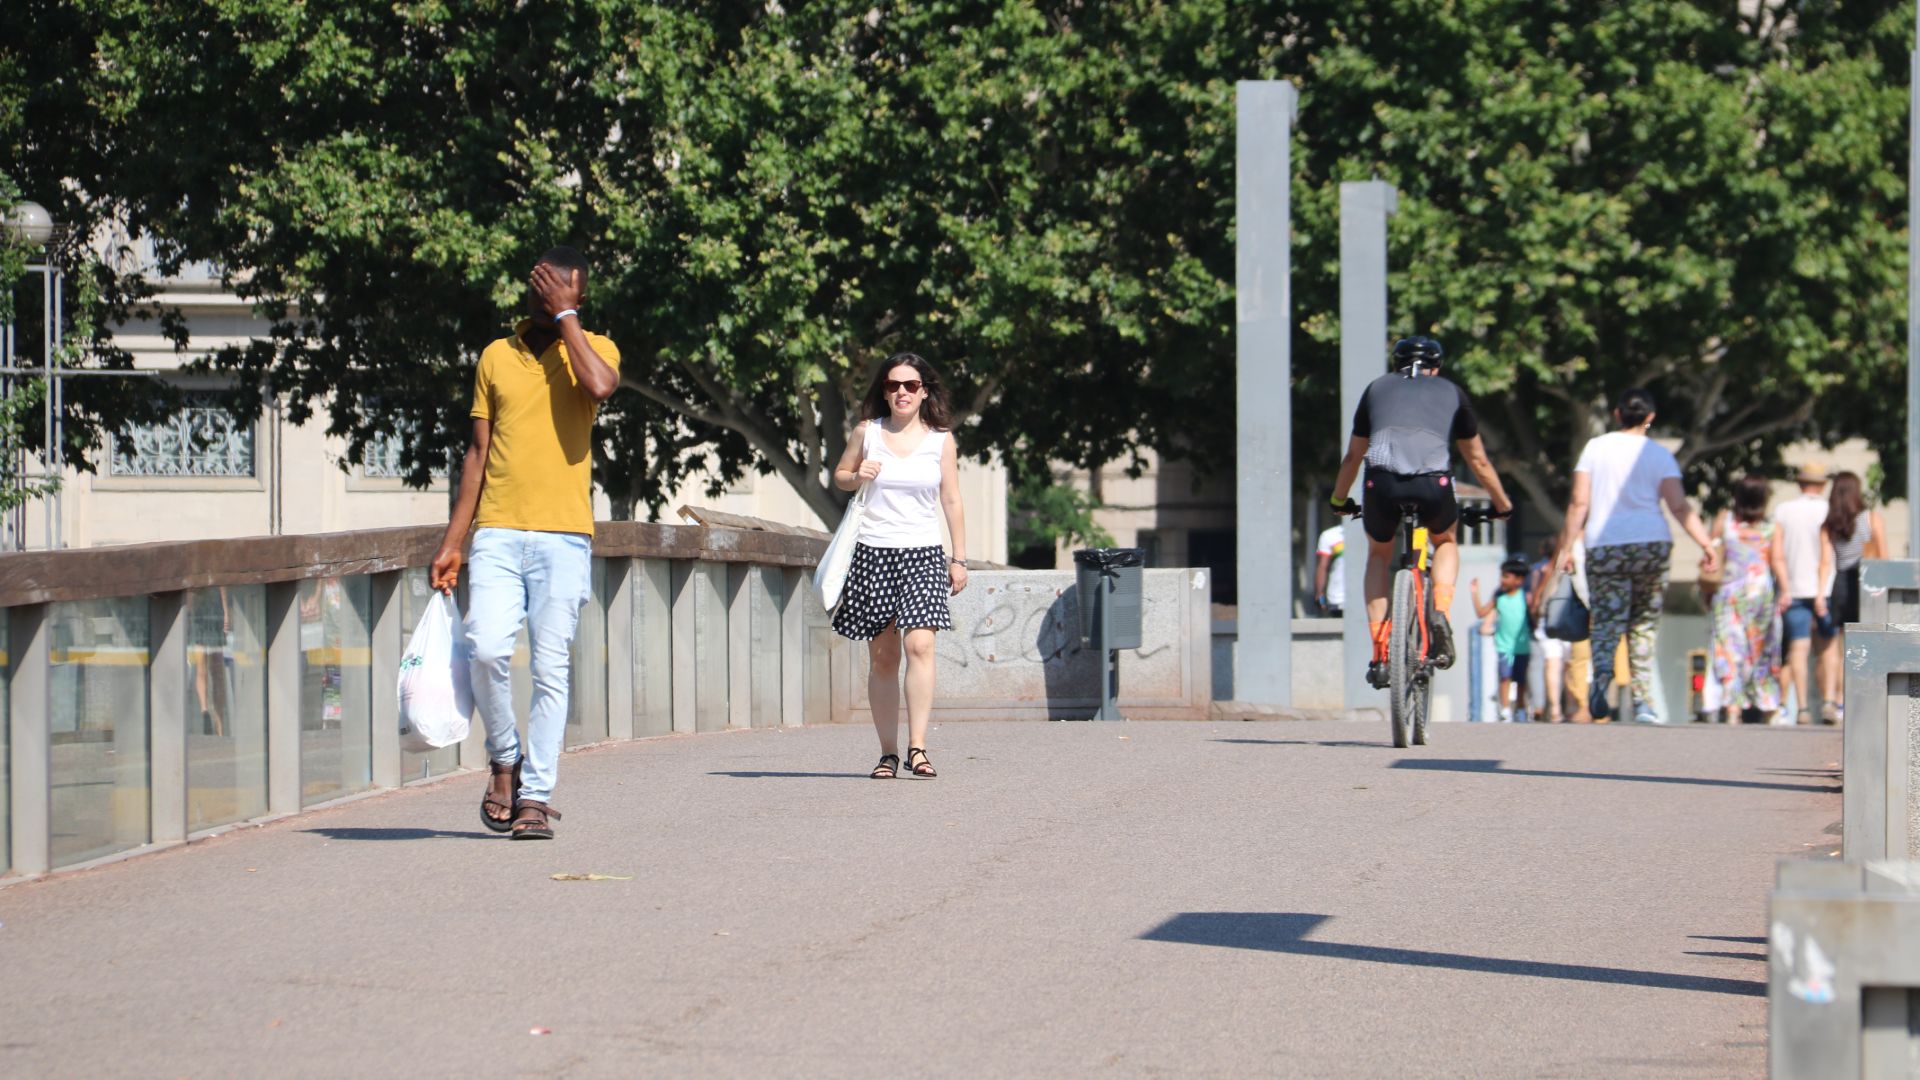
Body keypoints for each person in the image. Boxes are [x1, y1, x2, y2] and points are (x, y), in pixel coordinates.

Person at [429, 246, 620, 840]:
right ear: (529, 290)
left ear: (580, 299)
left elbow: (601, 386)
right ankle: (504, 756)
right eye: (547, 289)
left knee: (551, 668)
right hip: (498, 530)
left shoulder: (595, 348)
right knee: (485, 648)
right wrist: (453, 540)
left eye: (567, 292)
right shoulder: (495, 356)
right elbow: (478, 453)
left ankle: (535, 796)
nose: (555, 297)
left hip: (565, 535)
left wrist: (570, 322)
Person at [1331, 336, 1514, 690]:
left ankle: (1381, 654)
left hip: (1381, 483)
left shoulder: (1375, 389)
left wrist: (1339, 500)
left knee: (1379, 555)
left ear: (1395, 363)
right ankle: (1441, 613)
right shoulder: (1451, 392)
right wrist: (1502, 505)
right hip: (1433, 483)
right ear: (1438, 366)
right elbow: (1478, 460)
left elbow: (1353, 457)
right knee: (1444, 541)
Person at [830, 353, 969, 780]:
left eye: (910, 385)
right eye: (893, 385)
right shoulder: (867, 433)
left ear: (924, 390)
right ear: (883, 390)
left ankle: (918, 747)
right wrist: (857, 476)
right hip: (874, 551)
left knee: (921, 646)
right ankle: (888, 752)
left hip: (924, 553)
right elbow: (839, 475)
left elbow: (951, 498)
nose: (902, 393)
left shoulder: (941, 439)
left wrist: (958, 557)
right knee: (885, 656)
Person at [1554, 388, 1719, 723]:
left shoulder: (1595, 449)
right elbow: (1678, 505)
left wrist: (1567, 547)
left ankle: (1601, 679)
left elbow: (1579, 503)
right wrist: (1706, 544)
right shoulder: (1659, 455)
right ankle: (1643, 702)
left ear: (1617, 414)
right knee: (1643, 623)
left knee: (1606, 619)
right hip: (1651, 544)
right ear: (1650, 417)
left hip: (1604, 544)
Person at [1704, 474, 1785, 723]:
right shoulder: (1772, 527)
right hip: (1760, 595)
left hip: (1729, 592)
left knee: (1729, 648)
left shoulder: (1725, 520)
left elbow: (1711, 553)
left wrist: (1707, 588)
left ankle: (1732, 707)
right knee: (1762, 650)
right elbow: (1777, 560)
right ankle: (1768, 706)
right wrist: (1787, 590)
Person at [1818, 470, 1886, 724]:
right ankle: (1855, 699)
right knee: (1860, 645)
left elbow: (1825, 563)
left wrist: (1818, 595)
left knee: (1834, 644)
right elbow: (1883, 556)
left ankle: (1831, 700)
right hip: (1867, 584)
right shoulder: (1871, 519)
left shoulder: (1830, 524)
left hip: (1840, 583)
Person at [1772, 462, 1833, 724]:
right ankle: (1830, 701)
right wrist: (1821, 592)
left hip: (1793, 589)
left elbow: (1777, 555)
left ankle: (1803, 708)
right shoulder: (1828, 511)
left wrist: (1784, 588)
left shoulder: (1783, 510)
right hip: (1826, 589)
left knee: (1797, 649)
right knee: (1828, 649)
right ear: (1822, 484)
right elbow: (1827, 558)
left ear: (1800, 483)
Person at [1471, 556, 1533, 722]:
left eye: (1506, 576)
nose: (1502, 580)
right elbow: (1481, 613)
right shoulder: (1499, 597)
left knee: (1520, 680)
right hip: (1503, 646)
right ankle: (1505, 710)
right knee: (1505, 677)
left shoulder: (1525, 598)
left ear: (1519, 580)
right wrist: (1475, 594)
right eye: (1502, 576)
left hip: (1522, 646)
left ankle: (1520, 708)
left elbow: (1535, 614)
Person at [1525, 539, 1567, 723]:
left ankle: (1555, 708)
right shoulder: (1570, 564)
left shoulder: (1540, 569)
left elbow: (1533, 596)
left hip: (1547, 617)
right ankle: (1568, 706)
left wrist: (1535, 608)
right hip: (1570, 616)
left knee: (1552, 664)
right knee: (1566, 665)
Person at [1313, 520, 1347, 617]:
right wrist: (1320, 594)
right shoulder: (1330, 535)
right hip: (1338, 598)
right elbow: (1323, 567)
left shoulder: (1370, 532)